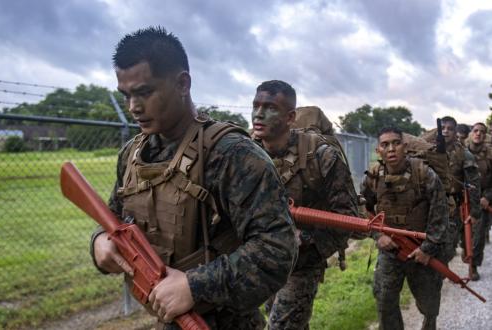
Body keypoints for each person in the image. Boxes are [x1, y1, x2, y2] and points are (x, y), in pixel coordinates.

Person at [89, 27, 298, 329]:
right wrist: (99, 239)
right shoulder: (133, 154)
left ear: (182, 83)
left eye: (145, 92)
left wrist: (194, 285)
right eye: (127, 95)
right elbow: (114, 217)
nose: (134, 107)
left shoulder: (231, 154)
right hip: (169, 318)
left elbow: (278, 250)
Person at [251, 80, 358, 330]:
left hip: (303, 262)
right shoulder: (246, 152)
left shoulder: (321, 156)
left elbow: (348, 218)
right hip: (261, 258)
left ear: (290, 117)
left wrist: (305, 237)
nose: (259, 113)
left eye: (270, 107)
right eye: (256, 105)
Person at [361, 127, 448, 330]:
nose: (391, 149)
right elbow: (363, 209)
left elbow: (440, 214)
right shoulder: (373, 178)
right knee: (384, 299)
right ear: (378, 151)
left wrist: (428, 249)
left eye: (396, 143)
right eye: (385, 145)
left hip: (421, 250)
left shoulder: (424, 174)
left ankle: (429, 323)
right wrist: (378, 235)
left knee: (429, 302)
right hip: (390, 250)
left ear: (405, 147)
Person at [432, 117, 480, 267]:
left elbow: (473, 185)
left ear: (455, 132)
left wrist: (474, 212)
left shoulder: (464, 154)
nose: (446, 131)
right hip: (429, 205)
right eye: (443, 127)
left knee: (448, 247)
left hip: (452, 207)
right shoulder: (427, 149)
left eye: (450, 128)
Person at [466, 122, 492, 280]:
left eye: (482, 132)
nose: (478, 134)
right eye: (475, 131)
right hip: (463, 198)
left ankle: (473, 265)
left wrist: (487, 197)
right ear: (471, 133)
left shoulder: (490, 154)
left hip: (483, 199)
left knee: (478, 235)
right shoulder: (461, 152)